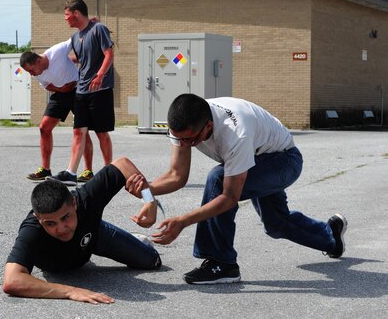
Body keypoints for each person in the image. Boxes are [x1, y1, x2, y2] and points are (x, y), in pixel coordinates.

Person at [126, 94, 347, 285]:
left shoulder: (236, 132)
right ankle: (331, 237)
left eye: (190, 141)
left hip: (284, 161)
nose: (183, 145)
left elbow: (229, 198)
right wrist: (147, 191)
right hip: (260, 155)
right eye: (178, 138)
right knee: (276, 224)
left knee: (217, 178)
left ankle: (222, 263)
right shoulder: (188, 121)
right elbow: (177, 175)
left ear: (209, 127)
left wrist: (182, 221)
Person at [2, 157, 161, 304]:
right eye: (50, 223)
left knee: (151, 261)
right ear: (38, 218)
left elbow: (122, 165)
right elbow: (12, 280)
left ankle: (132, 238)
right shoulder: (32, 230)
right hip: (67, 258)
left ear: (74, 204)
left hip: (93, 235)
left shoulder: (86, 199)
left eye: (66, 217)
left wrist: (149, 201)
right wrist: (70, 291)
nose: (61, 229)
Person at [48, 0, 115, 186]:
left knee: (101, 133)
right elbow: (80, 60)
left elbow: (109, 54)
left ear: (76, 13)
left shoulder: (98, 29)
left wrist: (101, 74)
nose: (65, 19)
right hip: (81, 90)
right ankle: (71, 173)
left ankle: (108, 171)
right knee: (79, 131)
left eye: (67, 15)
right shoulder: (74, 38)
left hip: (100, 89)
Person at [20, 39, 95, 182]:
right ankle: (45, 169)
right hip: (60, 94)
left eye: (30, 70)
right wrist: (60, 89)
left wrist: (91, 26)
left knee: (82, 131)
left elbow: (76, 38)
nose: (31, 74)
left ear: (37, 61)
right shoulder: (37, 73)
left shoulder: (57, 51)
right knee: (44, 127)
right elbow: (46, 85)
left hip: (77, 90)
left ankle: (88, 171)